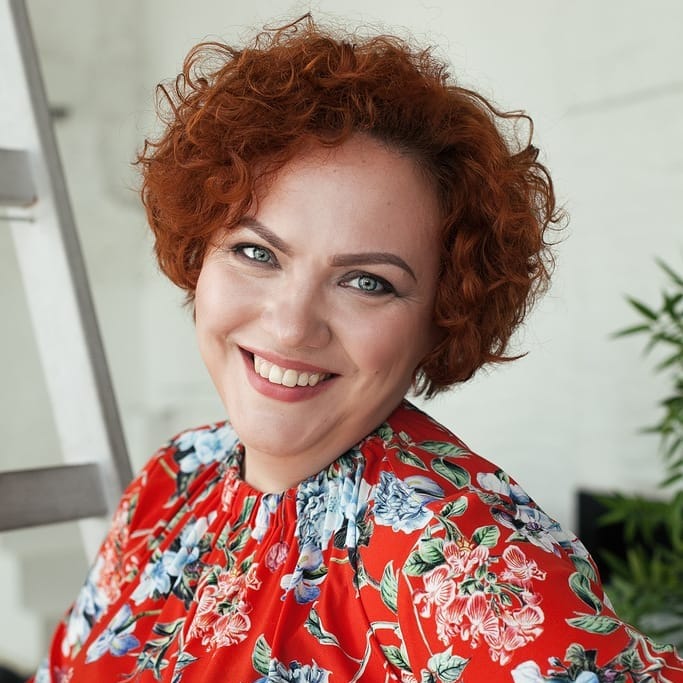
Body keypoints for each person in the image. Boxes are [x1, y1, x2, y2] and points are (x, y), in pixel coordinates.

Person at [32, 15, 683, 683]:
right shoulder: (174, 477)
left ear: (441, 317)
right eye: (256, 252)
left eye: (367, 282)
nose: (292, 325)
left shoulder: (457, 553)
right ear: (200, 255)